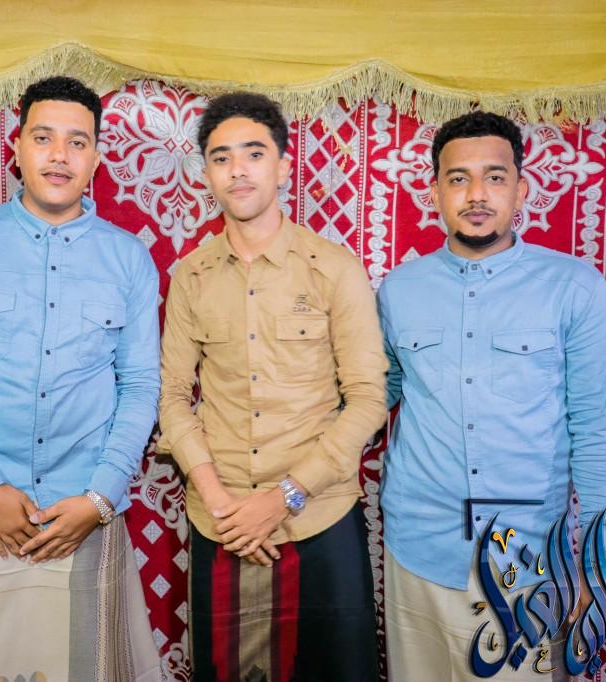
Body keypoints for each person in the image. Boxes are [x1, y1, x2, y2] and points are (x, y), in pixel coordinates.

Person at [0, 76, 162, 681]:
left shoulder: (128, 258)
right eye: (43, 138)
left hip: (84, 514)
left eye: (77, 142)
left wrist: (99, 499)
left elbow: (140, 386)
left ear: (95, 159)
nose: (59, 155)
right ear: (16, 148)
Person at [377, 111, 606, 681]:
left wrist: (600, 563)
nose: (476, 194)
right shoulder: (399, 290)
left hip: (528, 559)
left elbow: (600, 432)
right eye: (458, 178)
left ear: (521, 188)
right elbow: (373, 396)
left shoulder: (575, 288)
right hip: (417, 550)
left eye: (494, 177)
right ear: (434, 192)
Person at [158, 92, 385, 682]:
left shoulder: (334, 268)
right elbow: (173, 398)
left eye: (254, 154)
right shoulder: (191, 276)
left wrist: (283, 498)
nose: (238, 169)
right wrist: (222, 504)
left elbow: (368, 398)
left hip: (319, 519)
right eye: (221, 157)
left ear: (284, 167)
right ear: (206, 175)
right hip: (222, 523)